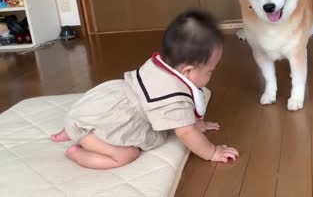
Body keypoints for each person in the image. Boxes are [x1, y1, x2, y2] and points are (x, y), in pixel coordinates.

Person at [50, 9, 239, 169]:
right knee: (127, 155)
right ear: (188, 71)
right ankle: (78, 151)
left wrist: (194, 122)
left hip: (98, 105)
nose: (211, 75)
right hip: (103, 124)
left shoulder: (161, 65)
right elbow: (185, 132)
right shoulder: (173, 96)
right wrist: (212, 152)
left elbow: (181, 118)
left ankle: (72, 127)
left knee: (91, 117)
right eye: (210, 71)